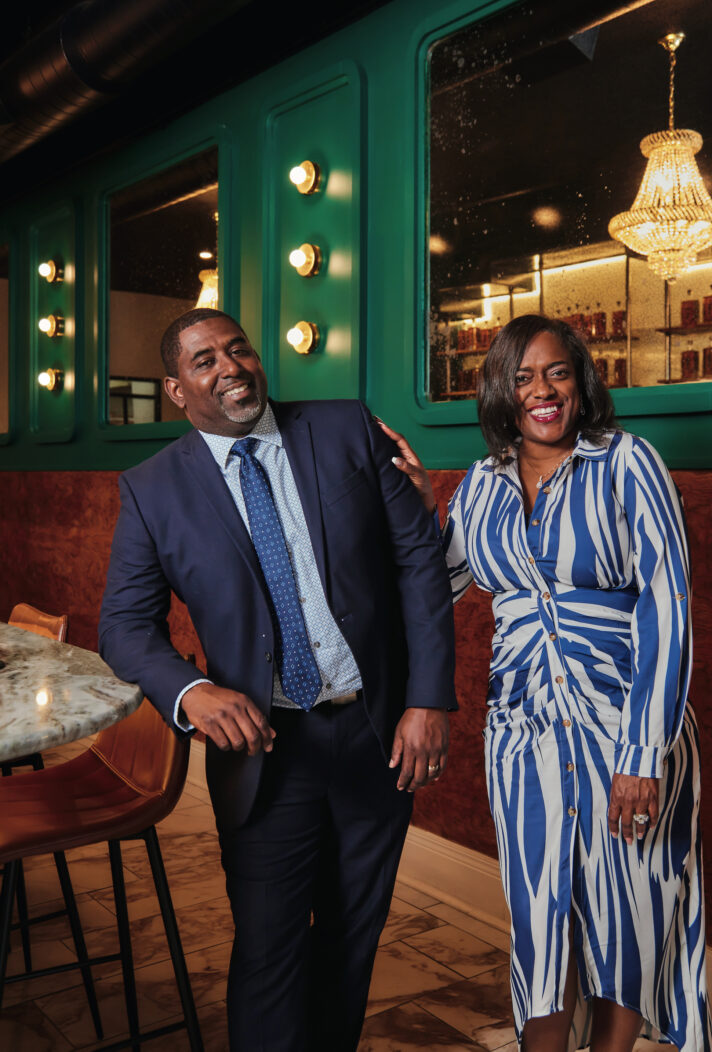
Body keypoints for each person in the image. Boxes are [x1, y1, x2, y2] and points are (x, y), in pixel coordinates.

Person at [98, 307, 456, 1052]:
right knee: (270, 952)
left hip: (376, 734)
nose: (230, 367)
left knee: (352, 943)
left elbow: (419, 559)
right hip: (265, 755)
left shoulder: (346, 426)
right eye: (205, 361)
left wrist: (427, 697)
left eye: (239, 350)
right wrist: (192, 693)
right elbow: (125, 627)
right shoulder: (151, 489)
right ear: (175, 387)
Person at [382, 313, 712, 1052]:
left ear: (581, 380)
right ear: (501, 387)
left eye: (557, 372)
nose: (542, 390)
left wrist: (642, 755)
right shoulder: (481, 484)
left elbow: (667, 604)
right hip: (523, 733)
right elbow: (439, 584)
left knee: (627, 912)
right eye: (524, 375)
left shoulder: (629, 463)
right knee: (540, 918)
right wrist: (412, 502)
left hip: (625, 727)